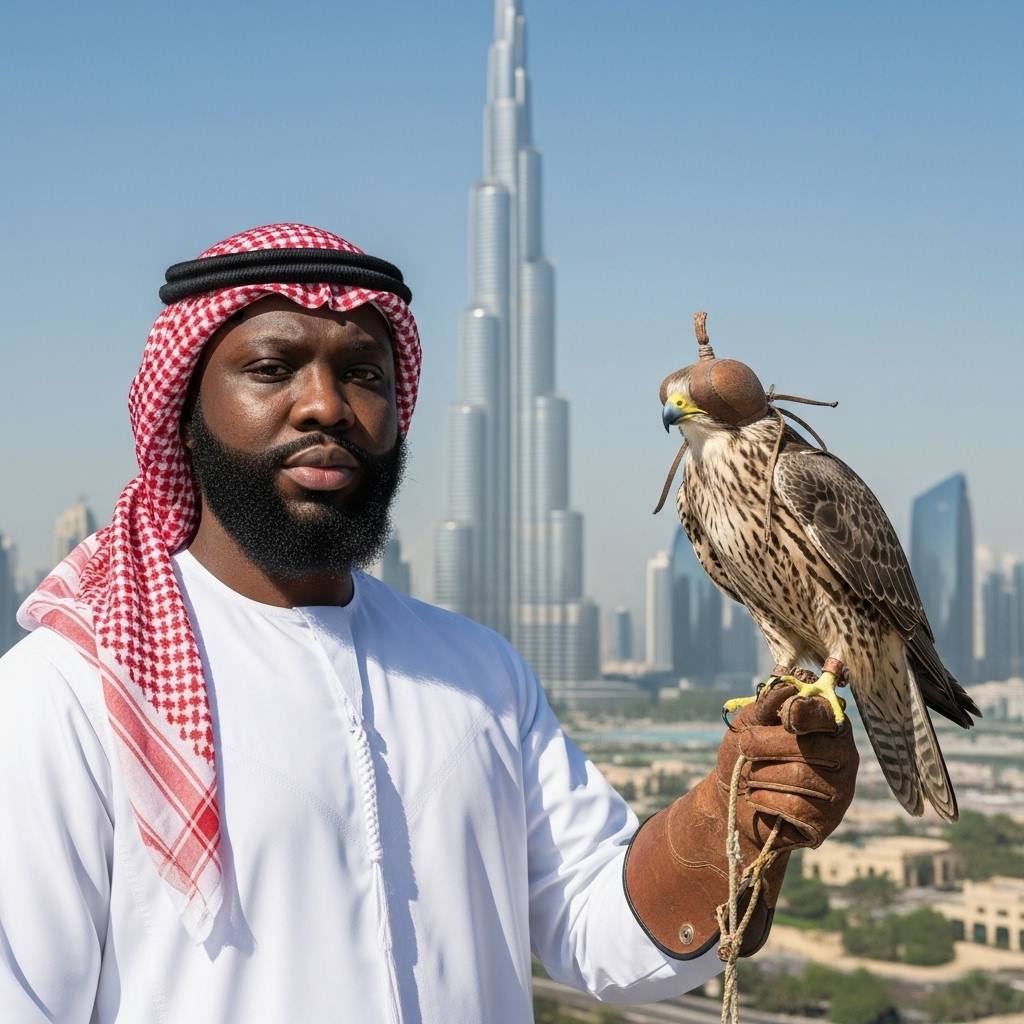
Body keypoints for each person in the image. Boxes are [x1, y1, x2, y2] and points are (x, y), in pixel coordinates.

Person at [0, 223, 857, 1023]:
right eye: (271, 370)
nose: (325, 406)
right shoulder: (70, 689)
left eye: (364, 374)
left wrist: (728, 821)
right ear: (184, 415)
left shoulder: (476, 669)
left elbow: (605, 938)